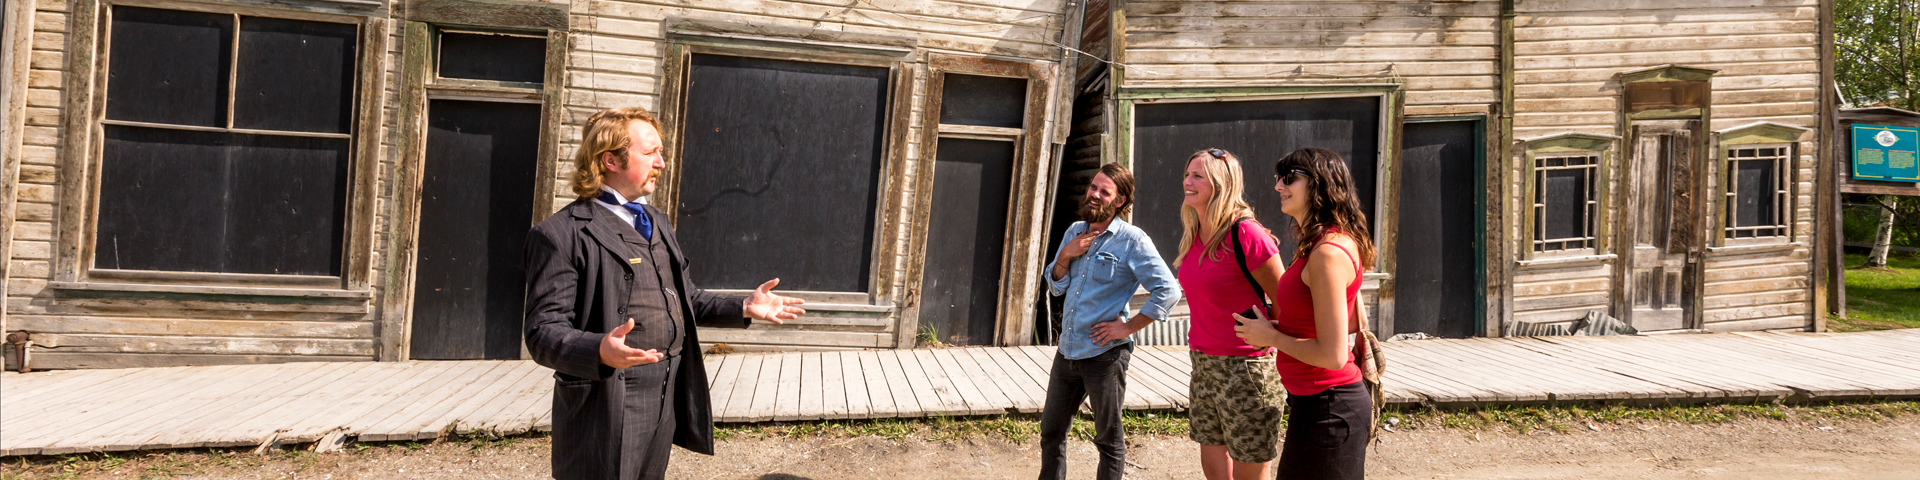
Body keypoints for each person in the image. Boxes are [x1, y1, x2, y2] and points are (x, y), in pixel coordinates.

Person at [522, 107, 808, 480]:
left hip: (664, 393)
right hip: (605, 401)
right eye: (650, 152)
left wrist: (744, 307)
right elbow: (542, 332)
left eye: (661, 152)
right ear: (610, 159)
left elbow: (684, 297)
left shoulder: (656, 221)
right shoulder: (560, 234)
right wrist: (598, 350)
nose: (662, 162)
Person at [1234, 147, 1376, 480]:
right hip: (1316, 403)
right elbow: (1351, 321)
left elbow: (1332, 354)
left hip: (1331, 405)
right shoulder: (1319, 244)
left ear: (1320, 184)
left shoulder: (1327, 252)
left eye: (1288, 178)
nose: (1278, 186)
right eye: (1278, 179)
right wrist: (1279, 326)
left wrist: (1271, 337)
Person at [1038, 163, 1182, 480]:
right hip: (1068, 350)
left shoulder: (1132, 241)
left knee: (1108, 440)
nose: (1095, 194)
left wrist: (1128, 328)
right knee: (1051, 432)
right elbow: (1056, 285)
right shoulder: (1074, 232)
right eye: (1093, 187)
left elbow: (1168, 290)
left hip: (1105, 355)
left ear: (1119, 201)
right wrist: (1065, 256)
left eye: (1104, 191)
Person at [1174, 148, 1288, 480]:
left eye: (1198, 176)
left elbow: (1284, 299)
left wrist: (1272, 336)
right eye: (1187, 173)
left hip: (1247, 368)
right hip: (1204, 363)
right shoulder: (1195, 231)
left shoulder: (1246, 233)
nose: (1187, 182)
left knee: (1250, 473)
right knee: (1212, 467)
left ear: (1221, 184)